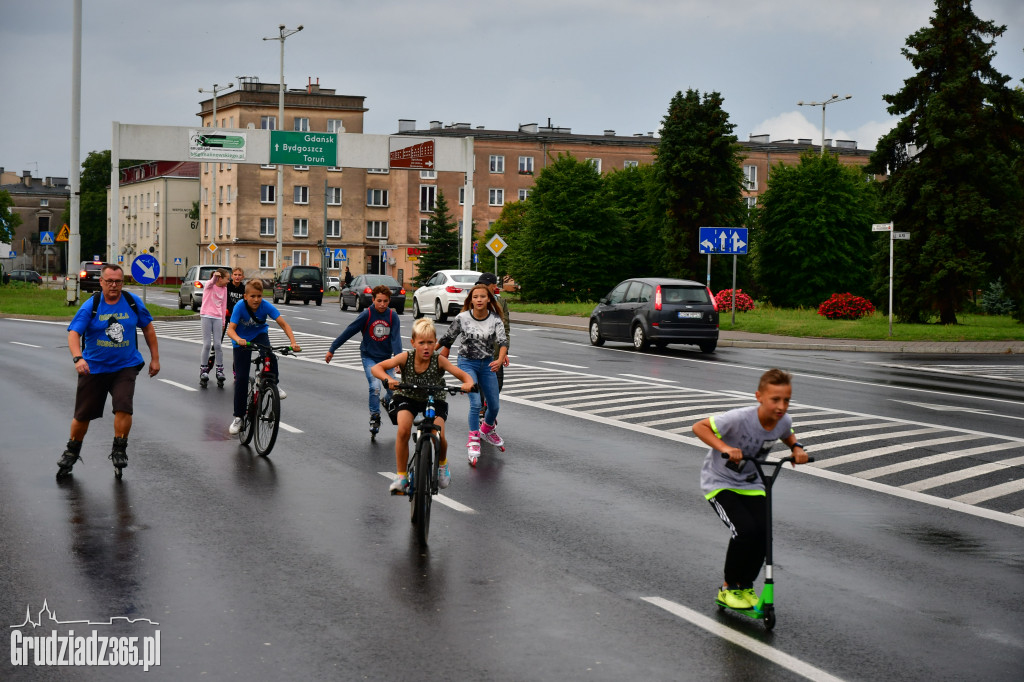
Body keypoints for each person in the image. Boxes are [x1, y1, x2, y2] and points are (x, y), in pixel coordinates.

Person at [691, 368, 809, 610]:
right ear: (759, 397)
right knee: (744, 531)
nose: (781, 406)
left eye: (786, 400)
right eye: (775, 399)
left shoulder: (783, 420)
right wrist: (724, 447)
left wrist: (796, 448)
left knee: (763, 535)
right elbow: (699, 427)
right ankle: (728, 588)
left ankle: (745, 586)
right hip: (720, 481)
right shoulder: (739, 418)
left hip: (752, 483)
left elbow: (787, 433)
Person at [57, 263, 161, 477]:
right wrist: (78, 358)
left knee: (124, 405)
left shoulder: (132, 302)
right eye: (110, 281)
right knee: (83, 415)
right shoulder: (92, 305)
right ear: (101, 282)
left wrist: (155, 359)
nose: (114, 285)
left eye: (118, 281)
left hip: (125, 366)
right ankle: (71, 451)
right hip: (94, 368)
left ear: (123, 282)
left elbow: (148, 327)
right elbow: (74, 334)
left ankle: (119, 449)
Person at [373, 318, 475, 493]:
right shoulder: (406, 357)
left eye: (430, 342)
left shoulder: (439, 360)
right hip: (408, 396)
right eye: (421, 343)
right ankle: (401, 477)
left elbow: (464, 376)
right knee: (404, 429)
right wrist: (388, 379)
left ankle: (442, 464)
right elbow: (377, 368)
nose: (426, 347)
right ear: (413, 343)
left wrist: (468, 383)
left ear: (435, 342)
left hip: (434, 398)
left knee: (440, 435)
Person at [438, 283, 508, 466]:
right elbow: (447, 338)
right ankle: (474, 439)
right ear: (471, 300)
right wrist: (428, 352)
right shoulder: (462, 318)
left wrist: (500, 359)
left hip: (487, 365)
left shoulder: (495, 319)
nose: (479, 300)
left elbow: (502, 342)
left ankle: (486, 429)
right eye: (475, 297)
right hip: (467, 364)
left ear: (488, 299)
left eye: (482, 297)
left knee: (494, 406)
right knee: (476, 403)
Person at [225, 279, 301, 435]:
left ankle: (273, 383)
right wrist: (238, 339)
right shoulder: (240, 306)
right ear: (245, 296)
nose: (256, 300)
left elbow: (284, 324)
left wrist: (293, 342)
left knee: (270, 356)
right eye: (252, 296)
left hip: (259, 335)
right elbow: (230, 330)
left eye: (259, 296)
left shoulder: (265, 305)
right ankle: (238, 417)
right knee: (241, 378)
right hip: (241, 340)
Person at [324, 284, 402, 432]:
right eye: (379, 301)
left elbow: (396, 340)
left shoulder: (393, 316)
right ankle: (375, 417)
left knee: (394, 389)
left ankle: (386, 402)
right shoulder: (367, 314)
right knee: (375, 387)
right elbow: (349, 331)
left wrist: (397, 360)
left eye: (385, 301)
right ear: (373, 299)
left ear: (389, 301)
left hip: (386, 359)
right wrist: (332, 349)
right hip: (369, 357)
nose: (382, 304)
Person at [198, 268, 230, 384]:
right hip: (206, 316)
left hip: (217, 317)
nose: (228, 281)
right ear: (220, 278)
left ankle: (220, 370)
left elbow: (223, 305)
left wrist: (223, 322)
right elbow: (211, 282)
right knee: (207, 344)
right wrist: (215, 276)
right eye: (227, 278)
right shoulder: (209, 285)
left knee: (218, 345)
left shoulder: (224, 289)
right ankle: (203, 370)